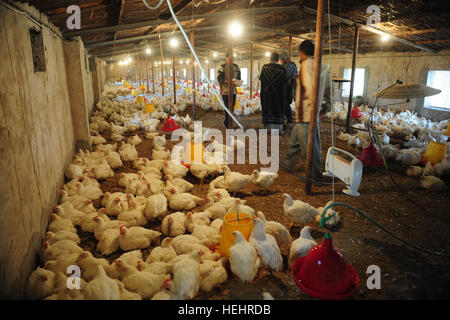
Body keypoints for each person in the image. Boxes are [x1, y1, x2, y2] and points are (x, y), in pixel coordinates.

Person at [282, 40, 331, 182]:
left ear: (302, 52)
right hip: (308, 111)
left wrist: (313, 105)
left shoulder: (305, 65)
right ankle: (290, 163)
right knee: (295, 141)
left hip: (306, 111)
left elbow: (310, 87)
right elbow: (330, 88)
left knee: (309, 146)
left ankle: (315, 175)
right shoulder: (322, 66)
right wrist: (326, 106)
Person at [258, 52, 288, 129]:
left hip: (266, 94)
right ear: (278, 59)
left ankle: (267, 128)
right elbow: (285, 83)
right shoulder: (282, 69)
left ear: (270, 58)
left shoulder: (264, 68)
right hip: (278, 94)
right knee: (277, 108)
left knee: (267, 108)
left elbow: (262, 79)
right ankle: (278, 129)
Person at [216, 53, 241, 128]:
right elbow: (219, 78)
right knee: (227, 106)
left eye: (232, 58)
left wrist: (237, 82)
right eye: (229, 58)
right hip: (225, 90)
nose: (231, 60)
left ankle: (230, 121)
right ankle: (227, 123)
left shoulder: (236, 67)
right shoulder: (222, 67)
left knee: (232, 106)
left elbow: (239, 77)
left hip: (233, 90)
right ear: (226, 58)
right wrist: (227, 81)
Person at [280, 52, 298, 126]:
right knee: (285, 104)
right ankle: (288, 119)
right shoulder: (286, 65)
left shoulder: (290, 66)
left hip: (288, 88)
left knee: (285, 103)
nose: (281, 61)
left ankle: (287, 119)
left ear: (285, 59)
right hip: (285, 87)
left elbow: (285, 76)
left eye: (281, 59)